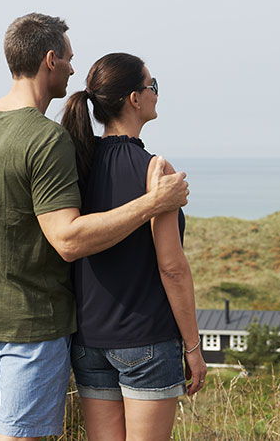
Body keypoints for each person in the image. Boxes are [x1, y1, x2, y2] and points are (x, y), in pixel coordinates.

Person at [0, 15, 189, 441]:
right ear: (50, 60)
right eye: (70, 59)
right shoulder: (44, 139)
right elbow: (68, 239)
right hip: (31, 326)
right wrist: (153, 202)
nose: (75, 70)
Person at [61, 53, 207, 441]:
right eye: (152, 85)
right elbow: (172, 268)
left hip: (89, 341)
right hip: (146, 339)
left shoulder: (77, 163)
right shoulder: (157, 172)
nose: (156, 93)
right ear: (134, 99)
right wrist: (193, 346)